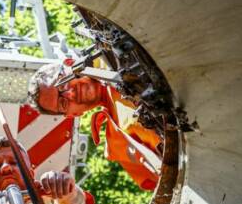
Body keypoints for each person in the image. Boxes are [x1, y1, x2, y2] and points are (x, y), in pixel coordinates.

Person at [27, 62, 162, 191]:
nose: (70, 93)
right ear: (72, 114)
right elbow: (163, 182)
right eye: (63, 103)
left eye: (62, 83)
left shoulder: (109, 55)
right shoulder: (117, 143)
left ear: (69, 65)